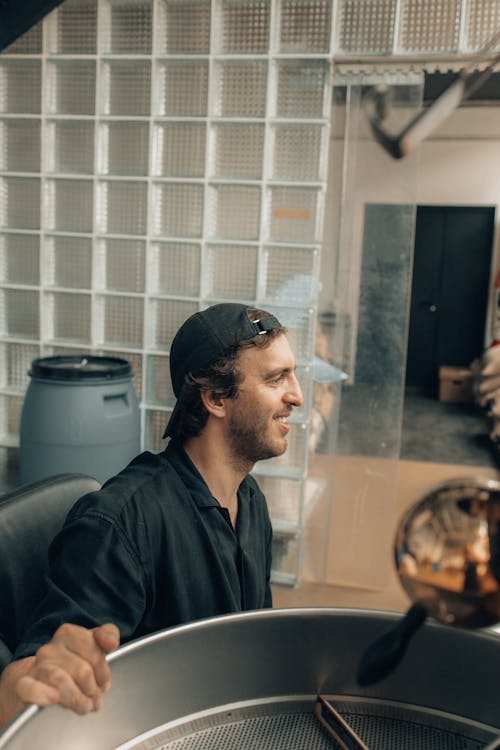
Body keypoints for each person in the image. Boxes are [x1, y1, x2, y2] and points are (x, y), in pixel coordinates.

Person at [0, 303, 303, 727]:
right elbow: (33, 681)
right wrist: (26, 683)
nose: (297, 395)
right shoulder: (119, 525)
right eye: (276, 379)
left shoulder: (250, 501)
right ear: (216, 398)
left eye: (292, 374)